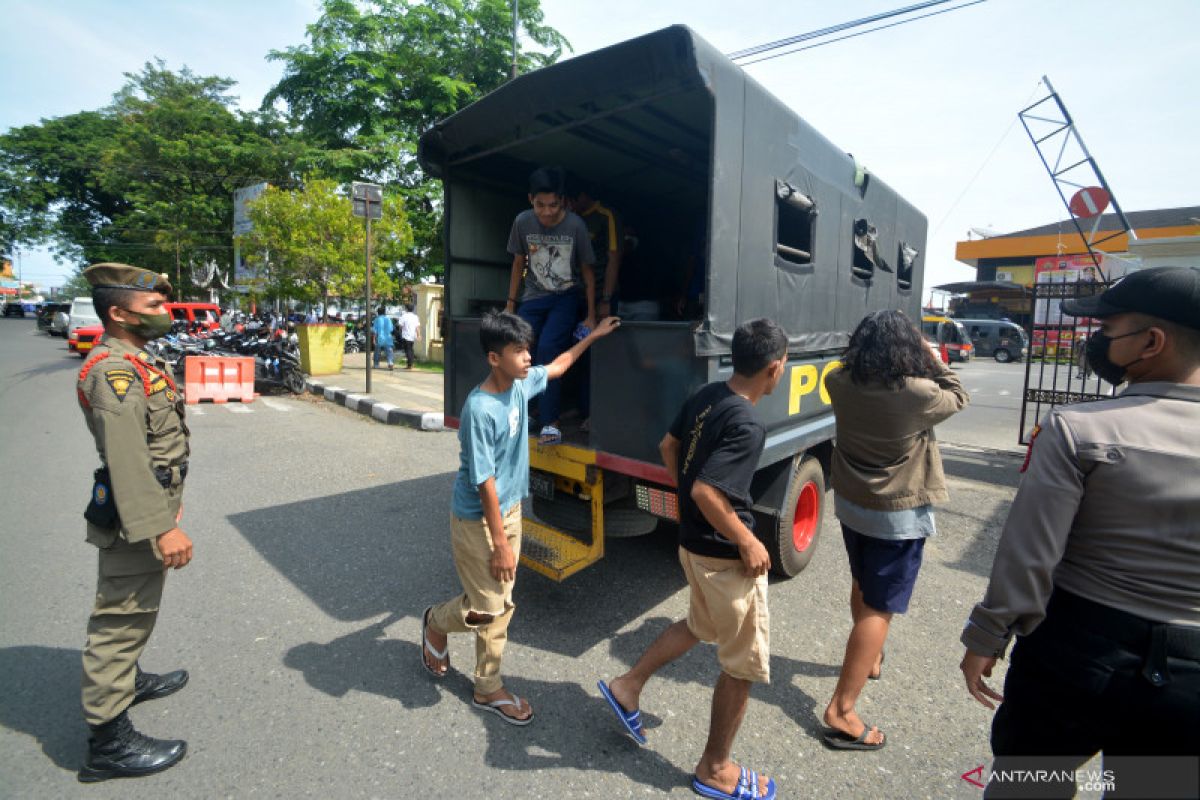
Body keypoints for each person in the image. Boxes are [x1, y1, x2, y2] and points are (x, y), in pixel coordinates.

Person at [960, 266, 1200, 798]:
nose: (1097, 340)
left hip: (1075, 654)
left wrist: (987, 636)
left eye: (1108, 329)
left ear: (1152, 342)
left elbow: (1030, 557)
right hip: (1191, 674)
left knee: (1031, 786)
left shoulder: (1080, 429)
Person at [599, 319, 788, 800]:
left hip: (691, 545)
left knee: (698, 627)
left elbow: (670, 447)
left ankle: (628, 685)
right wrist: (747, 539)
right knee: (743, 666)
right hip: (724, 558)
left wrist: (687, 497)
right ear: (774, 368)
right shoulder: (747, 422)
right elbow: (708, 489)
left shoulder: (708, 395)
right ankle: (716, 769)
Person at [420, 311, 620, 724]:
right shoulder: (480, 409)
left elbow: (559, 365)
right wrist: (499, 546)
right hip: (479, 520)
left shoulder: (519, 385)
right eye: (518, 351)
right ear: (495, 358)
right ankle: (486, 686)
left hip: (510, 510)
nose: (528, 357)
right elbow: (484, 482)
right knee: (493, 608)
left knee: (499, 603)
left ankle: (438, 624)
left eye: (528, 349)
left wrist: (594, 336)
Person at [820, 310, 969, 751]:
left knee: (862, 585)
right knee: (878, 609)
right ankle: (841, 711)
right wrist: (930, 354)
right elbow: (959, 394)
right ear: (907, 348)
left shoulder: (838, 382)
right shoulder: (918, 393)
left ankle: (871, 658)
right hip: (896, 515)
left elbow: (845, 368)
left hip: (851, 504)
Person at [74, 263, 194, 782]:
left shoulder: (136, 357)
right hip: (134, 515)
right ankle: (108, 741)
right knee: (121, 617)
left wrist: (170, 505)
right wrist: (162, 526)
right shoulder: (113, 371)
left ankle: (129, 680)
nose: (165, 312)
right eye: (154, 307)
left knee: (139, 605)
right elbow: (127, 459)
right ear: (119, 313)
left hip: (150, 503)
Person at [504, 166, 597, 444]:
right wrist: (510, 304)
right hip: (533, 297)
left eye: (553, 205)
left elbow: (588, 272)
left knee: (547, 348)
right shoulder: (522, 222)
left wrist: (591, 315)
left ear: (563, 201)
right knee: (517, 349)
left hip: (565, 297)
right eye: (540, 205)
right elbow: (518, 263)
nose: (546, 212)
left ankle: (551, 422)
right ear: (531, 199)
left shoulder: (575, 226)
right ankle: (525, 411)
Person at [398, 303, 421, 370]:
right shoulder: (415, 317)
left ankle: (410, 364)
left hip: (406, 335)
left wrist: (401, 330)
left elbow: (400, 326)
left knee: (407, 350)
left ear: (406, 309)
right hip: (412, 335)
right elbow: (417, 327)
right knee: (410, 349)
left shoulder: (404, 316)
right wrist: (419, 335)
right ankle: (410, 364)